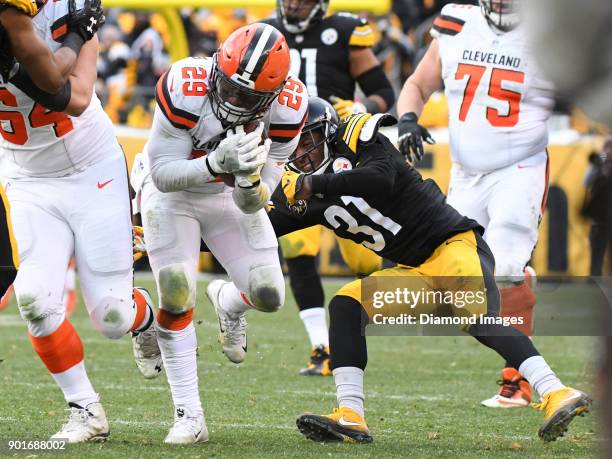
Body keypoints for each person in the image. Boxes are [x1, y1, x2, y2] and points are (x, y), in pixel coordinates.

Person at [270, 96, 591, 444]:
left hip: (452, 245)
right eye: (292, 144)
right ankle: (351, 416)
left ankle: (556, 392)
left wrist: (316, 185)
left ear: (329, 132)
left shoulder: (360, 140)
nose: (300, 152)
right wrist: (209, 221)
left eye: (307, 140)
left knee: (477, 318)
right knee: (347, 305)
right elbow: (262, 228)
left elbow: (381, 179)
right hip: (415, 272)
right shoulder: (299, 189)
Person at [134, 23, 307, 443]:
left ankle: (228, 302)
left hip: (226, 196)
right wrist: (216, 164)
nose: (232, 101)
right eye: (229, 88)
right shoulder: (185, 84)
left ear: (271, 95)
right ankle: (188, 415)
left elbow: (256, 199)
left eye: (247, 98)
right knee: (175, 292)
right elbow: (163, 174)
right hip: (171, 191)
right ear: (216, 69)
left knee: (269, 293)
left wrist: (248, 180)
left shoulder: (289, 107)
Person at [0, 0, 161, 443]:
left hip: (91, 168)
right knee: (34, 297)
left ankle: (144, 318)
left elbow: (77, 97)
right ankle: (85, 409)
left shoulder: (64, 9)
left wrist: (76, 34)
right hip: (27, 176)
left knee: (112, 316)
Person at [396, 0, 556, 408]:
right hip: (466, 172)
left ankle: (517, 379)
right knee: (456, 283)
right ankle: (520, 285)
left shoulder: (548, 31)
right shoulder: (456, 22)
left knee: (503, 269)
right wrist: (409, 120)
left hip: (519, 166)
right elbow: (417, 84)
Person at [262, 0, 395, 376]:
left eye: (302, 0)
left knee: (365, 258)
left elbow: (383, 91)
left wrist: (359, 107)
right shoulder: (265, 35)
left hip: (340, 155)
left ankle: (351, 340)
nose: (293, 5)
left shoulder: (347, 30)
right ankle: (321, 346)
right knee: (296, 247)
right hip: (289, 155)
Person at [0, 0, 103, 299]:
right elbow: (53, 82)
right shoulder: (13, 11)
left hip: (79, 155)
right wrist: (76, 35)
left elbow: (75, 98)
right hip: (21, 167)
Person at [582, 140, 611, 276]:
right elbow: (586, 182)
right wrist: (596, 166)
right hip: (599, 220)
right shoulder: (599, 164)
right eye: (606, 150)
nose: (608, 153)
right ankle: (594, 281)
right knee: (596, 255)